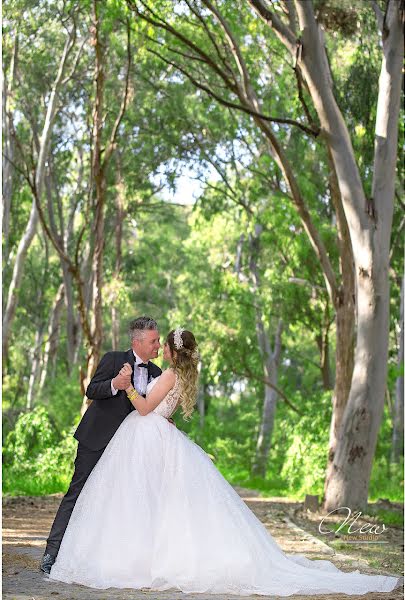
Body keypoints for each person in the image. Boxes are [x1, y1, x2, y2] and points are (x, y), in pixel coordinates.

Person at [49, 327, 400, 596]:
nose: (160, 348)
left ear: (172, 350)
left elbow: (143, 407)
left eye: (164, 344)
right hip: (156, 435)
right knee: (154, 501)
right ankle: (141, 555)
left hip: (146, 434)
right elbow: (162, 407)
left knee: (141, 499)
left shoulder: (168, 373)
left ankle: (137, 558)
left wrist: (127, 387)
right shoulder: (181, 375)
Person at [40, 316, 162, 574]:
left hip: (131, 448)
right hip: (97, 439)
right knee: (77, 492)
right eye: (153, 341)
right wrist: (114, 385)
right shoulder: (113, 358)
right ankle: (52, 553)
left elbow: (152, 409)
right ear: (136, 342)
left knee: (120, 500)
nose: (158, 346)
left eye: (159, 341)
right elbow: (91, 389)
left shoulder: (157, 373)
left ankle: (105, 557)